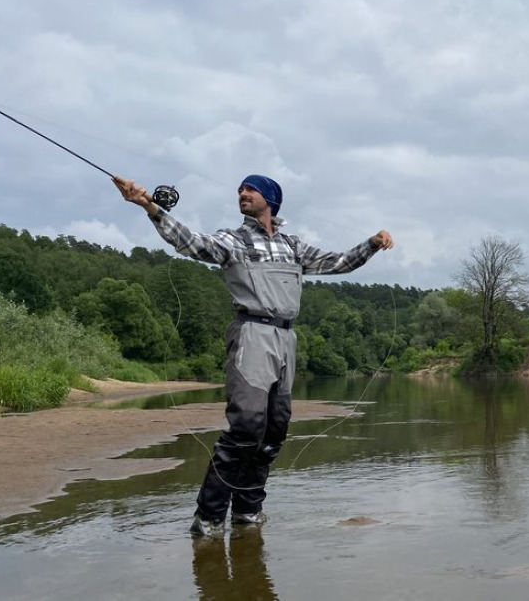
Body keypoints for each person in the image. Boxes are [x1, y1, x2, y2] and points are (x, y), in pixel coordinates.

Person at [114, 174, 393, 537]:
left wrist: (372, 243)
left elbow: (338, 262)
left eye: (250, 189)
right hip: (251, 333)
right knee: (246, 424)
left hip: (286, 339)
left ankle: (247, 512)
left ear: (271, 199)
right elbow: (193, 243)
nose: (242, 194)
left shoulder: (293, 246)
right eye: (240, 190)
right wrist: (151, 207)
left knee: (275, 428)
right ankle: (209, 517)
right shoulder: (234, 239)